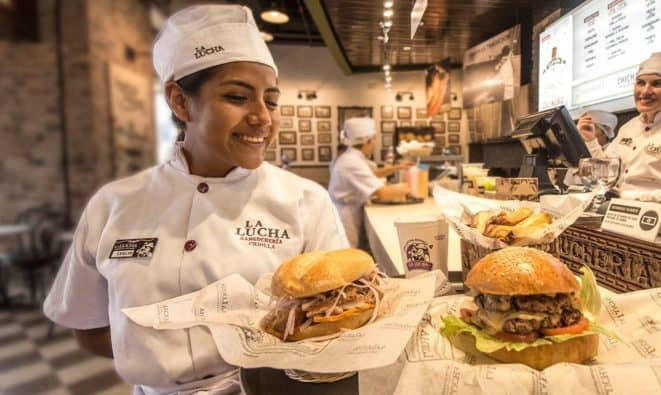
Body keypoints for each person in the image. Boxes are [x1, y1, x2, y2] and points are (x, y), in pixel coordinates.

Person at [43, 5, 348, 394]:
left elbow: (333, 322)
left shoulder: (306, 201)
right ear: (180, 101)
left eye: (270, 101)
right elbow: (88, 326)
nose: (263, 117)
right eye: (238, 97)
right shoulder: (113, 205)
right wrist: (156, 359)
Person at [579, 52, 661, 203]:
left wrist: (627, 197)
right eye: (641, 82)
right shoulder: (628, 128)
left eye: (657, 84)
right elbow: (606, 175)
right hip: (618, 210)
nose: (645, 92)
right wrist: (591, 141)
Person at [329, 117, 411, 248]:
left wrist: (398, 167)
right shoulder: (352, 162)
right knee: (347, 251)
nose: (375, 143)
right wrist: (413, 188)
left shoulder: (353, 156)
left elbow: (373, 173)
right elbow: (383, 193)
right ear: (367, 141)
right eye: (374, 139)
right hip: (345, 215)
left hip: (349, 209)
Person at [563, 110, 618, 188]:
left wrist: (592, 143)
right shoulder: (579, 153)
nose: (582, 133)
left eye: (588, 128)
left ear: (605, 132)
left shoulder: (615, 151)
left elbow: (607, 182)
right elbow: (567, 185)